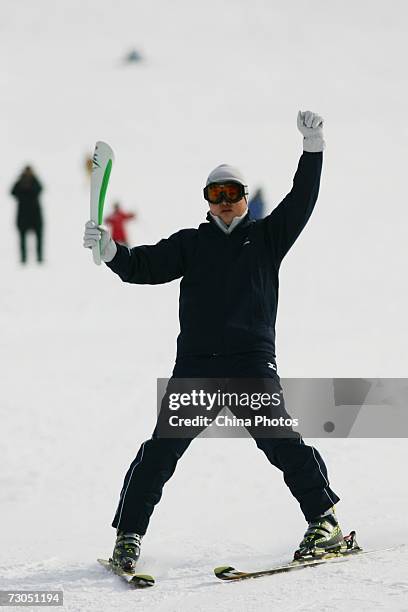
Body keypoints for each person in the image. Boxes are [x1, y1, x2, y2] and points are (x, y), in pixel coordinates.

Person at [84, 110, 343, 573]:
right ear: (206, 200)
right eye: (216, 194)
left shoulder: (267, 238)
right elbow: (144, 267)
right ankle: (128, 537)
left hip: (250, 364)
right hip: (198, 368)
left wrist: (313, 147)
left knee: (281, 442)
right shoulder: (191, 244)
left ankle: (325, 522)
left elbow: (302, 199)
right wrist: (111, 253)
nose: (225, 202)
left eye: (233, 194)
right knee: (161, 451)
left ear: (245, 198)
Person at [10, 166, 44, 264]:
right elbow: (12, 192)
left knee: (39, 238)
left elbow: (40, 189)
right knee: (22, 239)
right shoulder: (20, 182)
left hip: (35, 215)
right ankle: (23, 259)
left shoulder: (35, 181)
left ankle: (40, 258)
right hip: (23, 215)